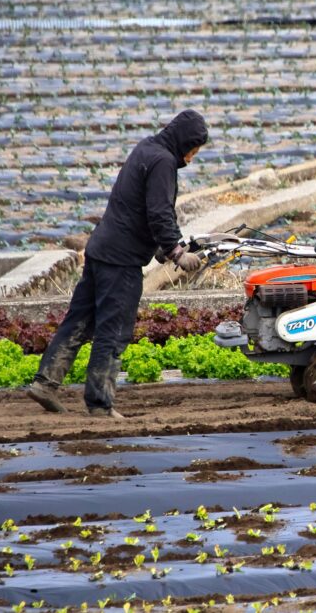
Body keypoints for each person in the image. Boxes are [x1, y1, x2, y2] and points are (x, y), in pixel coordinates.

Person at [27, 109, 208, 420]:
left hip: (100, 250)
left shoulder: (145, 148)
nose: (191, 159)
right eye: (192, 151)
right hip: (121, 262)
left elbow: (135, 209)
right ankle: (100, 403)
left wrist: (161, 250)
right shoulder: (164, 162)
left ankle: (45, 383)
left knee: (79, 320)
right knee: (114, 330)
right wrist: (177, 252)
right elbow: (159, 213)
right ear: (183, 143)